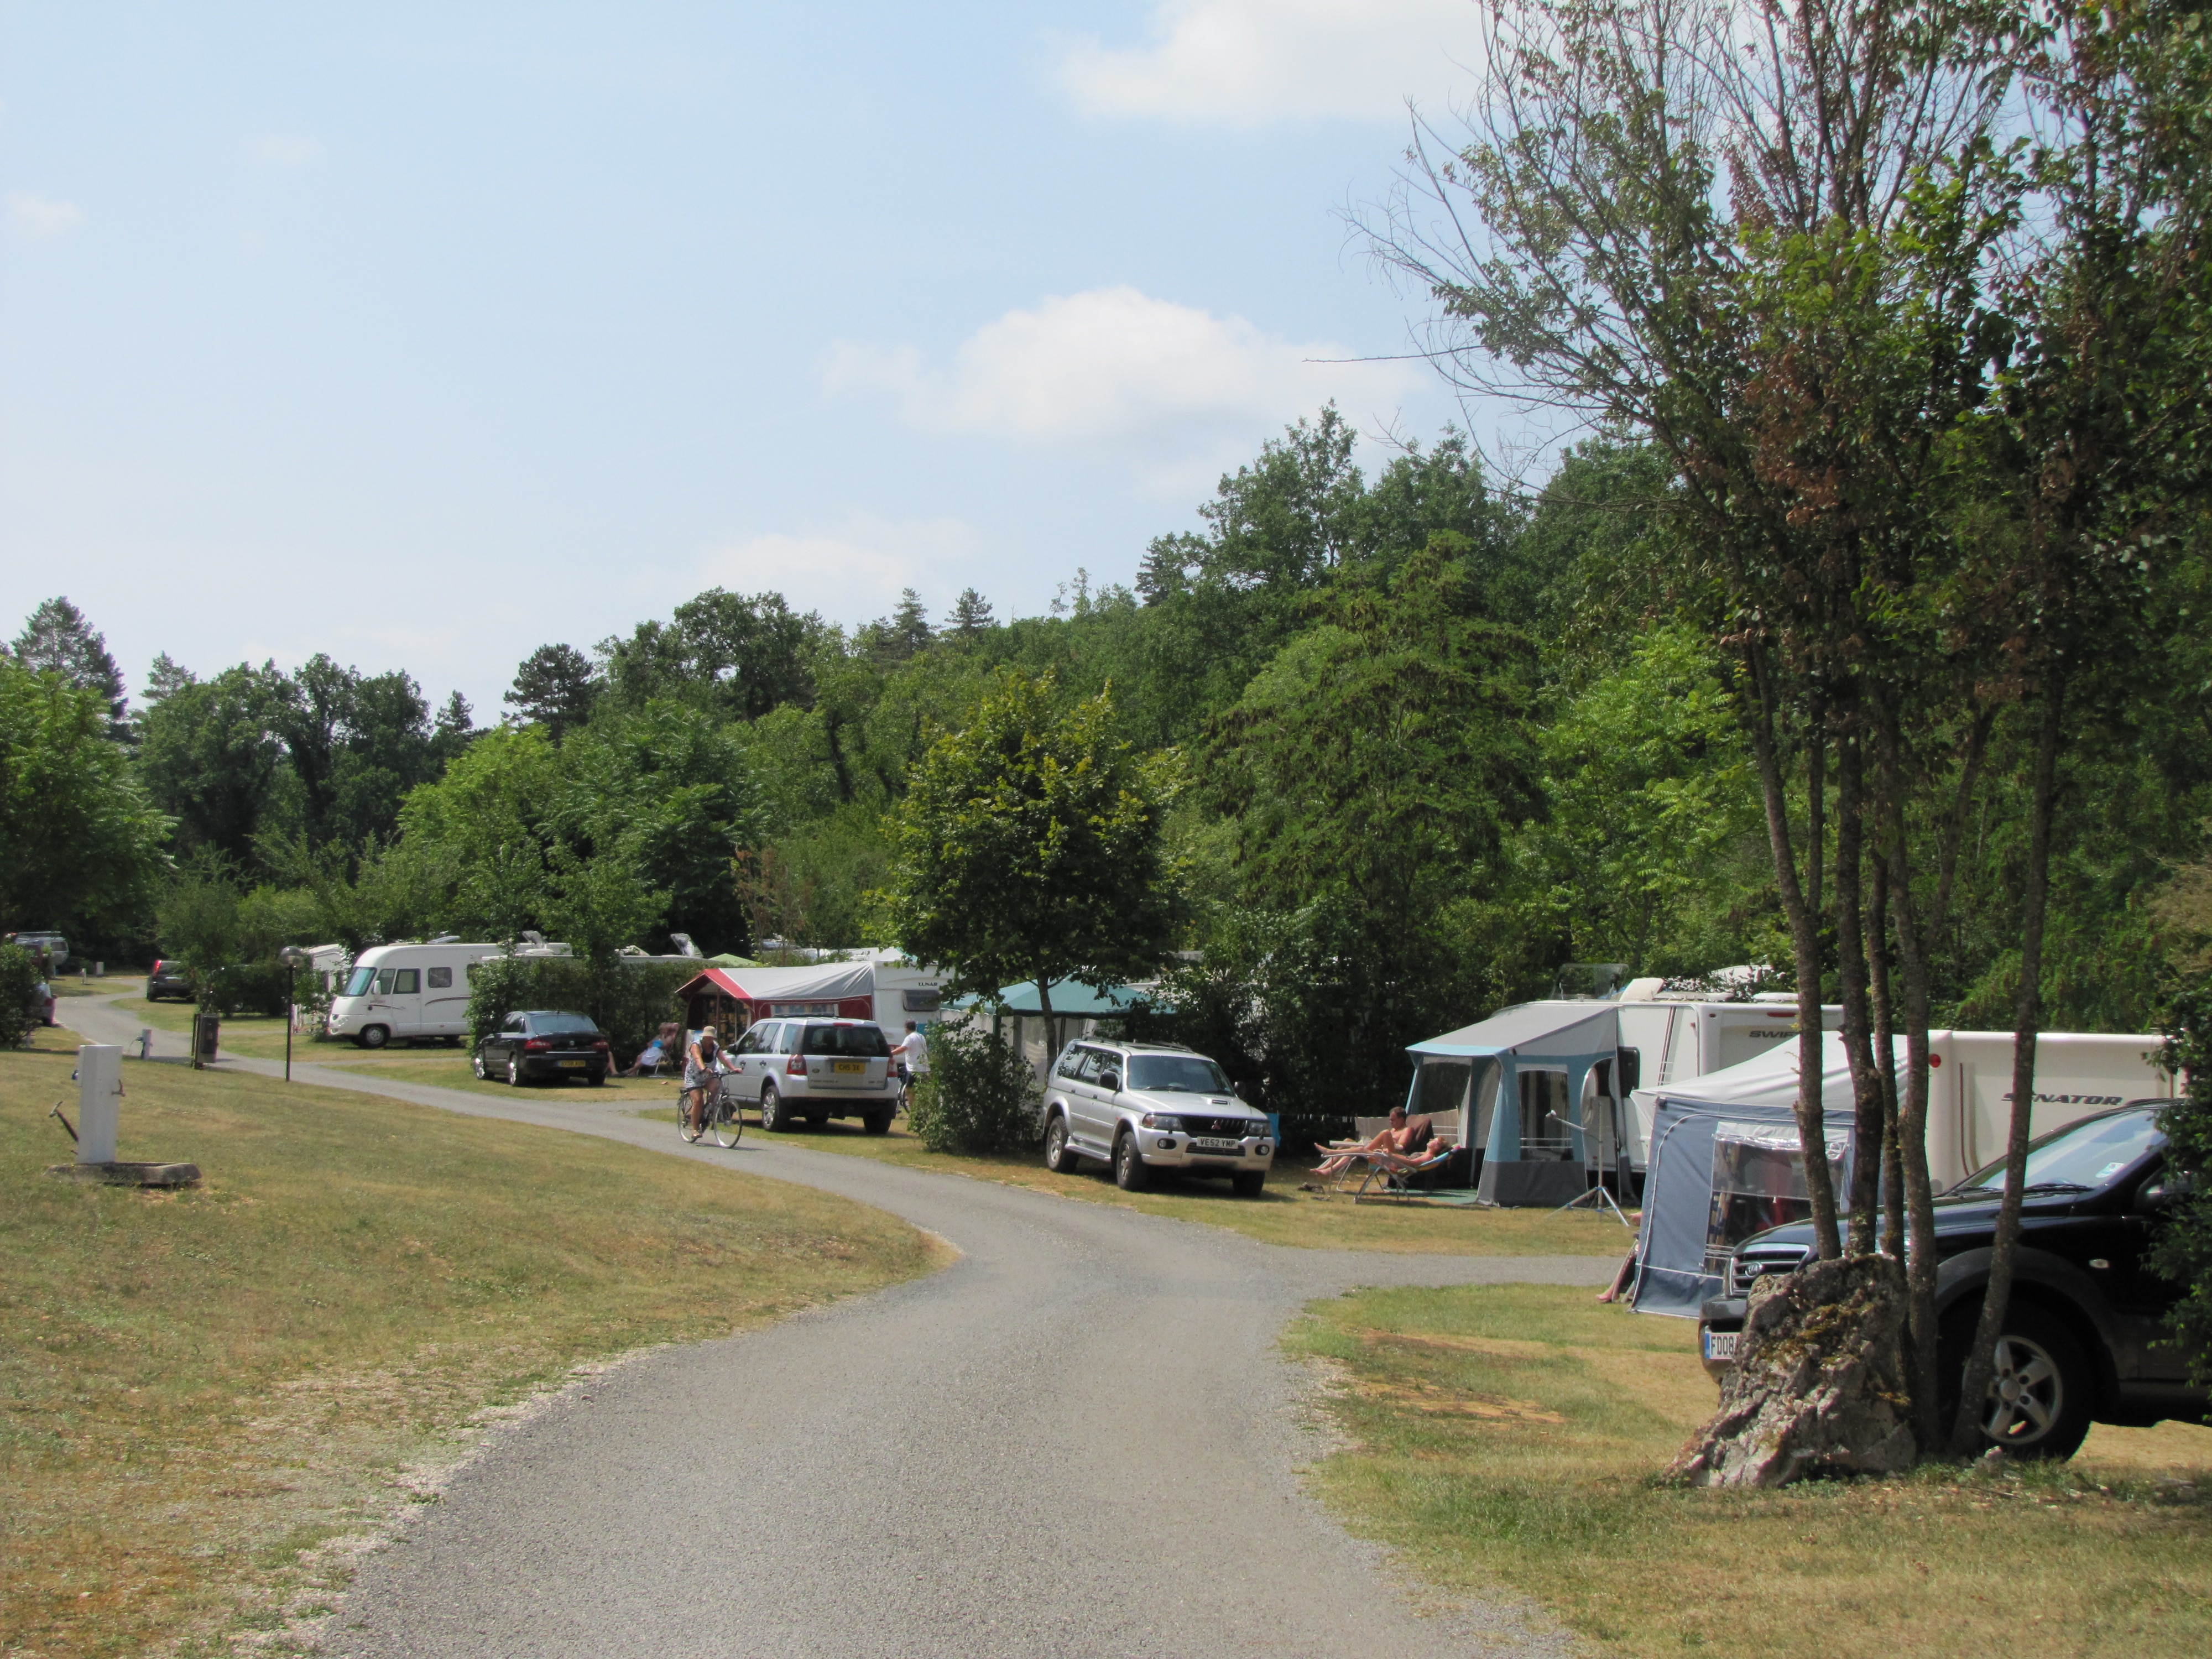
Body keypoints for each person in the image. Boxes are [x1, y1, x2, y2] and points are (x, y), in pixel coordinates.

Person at [1311, 1107, 1433, 1178]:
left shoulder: (1407, 1130)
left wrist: (1385, 1141)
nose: (1391, 1122)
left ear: (1402, 1119)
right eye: (1390, 1120)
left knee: (1384, 1134)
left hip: (1392, 1158)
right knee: (1348, 1141)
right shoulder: (1394, 1130)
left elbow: (1401, 1147)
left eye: (1393, 1120)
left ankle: (1330, 1155)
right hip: (1381, 1153)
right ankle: (1325, 1168)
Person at [684, 1025, 724, 1134]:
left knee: (718, 1086)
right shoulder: (696, 1045)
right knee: (698, 1099)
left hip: (707, 1077)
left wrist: (734, 1069)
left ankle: (708, 1108)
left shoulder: (715, 1047)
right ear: (704, 1037)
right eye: (707, 1038)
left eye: (711, 1038)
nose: (709, 1040)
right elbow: (697, 1058)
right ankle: (695, 1129)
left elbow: (723, 1059)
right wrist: (704, 1068)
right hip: (694, 1077)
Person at [892, 1021, 928, 1108]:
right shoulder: (921, 1036)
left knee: (909, 1089)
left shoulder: (910, 1038)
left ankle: (913, 1110)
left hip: (914, 1068)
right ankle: (922, 1109)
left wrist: (890, 1053)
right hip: (924, 1068)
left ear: (906, 1028)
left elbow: (903, 1048)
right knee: (921, 1090)